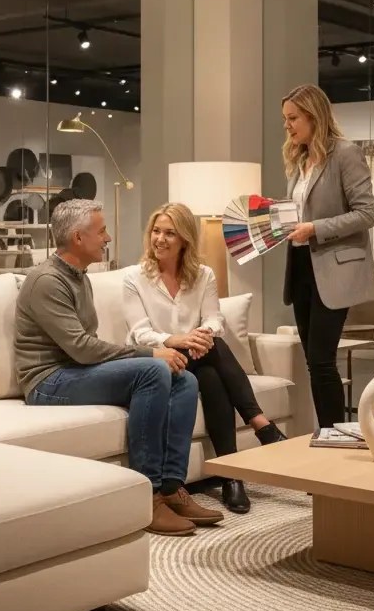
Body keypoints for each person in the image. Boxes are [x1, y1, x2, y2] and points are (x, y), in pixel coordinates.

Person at [15, 198, 223, 537]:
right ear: (79, 239)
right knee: (155, 369)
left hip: (74, 373)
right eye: (102, 231)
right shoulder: (47, 281)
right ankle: (148, 494)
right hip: (47, 381)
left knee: (183, 379)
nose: (108, 238)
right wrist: (151, 353)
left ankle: (171, 487)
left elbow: (85, 348)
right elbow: (82, 349)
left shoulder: (79, 276)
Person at [122, 203, 288, 514]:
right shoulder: (135, 277)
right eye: (156, 231)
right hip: (153, 360)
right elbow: (139, 334)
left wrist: (201, 335)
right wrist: (181, 340)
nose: (160, 239)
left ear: (185, 239)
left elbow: (215, 320)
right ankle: (261, 425)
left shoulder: (203, 275)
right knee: (212, 350)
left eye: (170, 233)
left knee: (211, 378)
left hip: (197, 356)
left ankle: (229, 476)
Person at [280, 84, 374, 429]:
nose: (288, 126)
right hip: (302, 267)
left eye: (293, 118)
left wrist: (315, 228)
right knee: (313, 362)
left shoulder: (345, 154)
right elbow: (298, 213)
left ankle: (335, 438)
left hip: (333, 271)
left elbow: (366, 213)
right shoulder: (301, 160)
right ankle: (327, 435)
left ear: (313, 115)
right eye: (286, 120)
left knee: (322, 361)